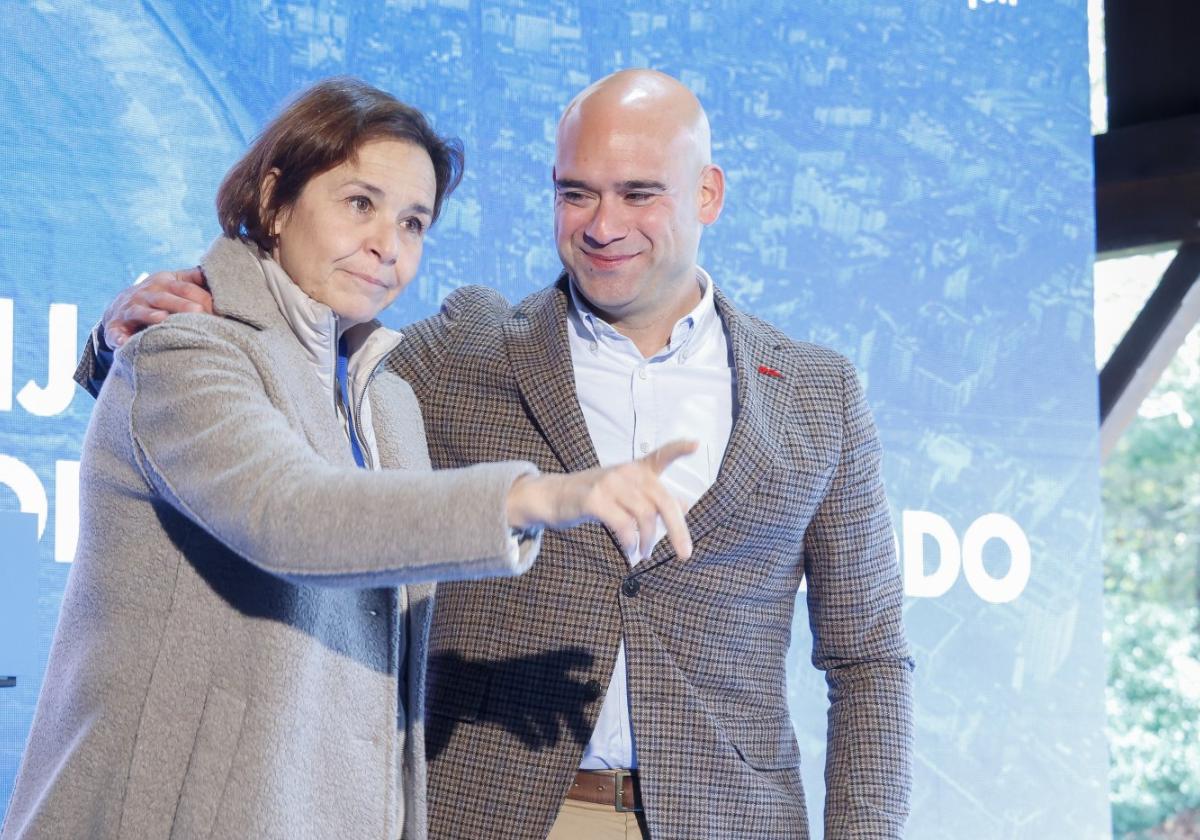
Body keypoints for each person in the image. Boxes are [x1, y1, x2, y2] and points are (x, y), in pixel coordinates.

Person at [78, 69, 913, 839]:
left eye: (638, 194)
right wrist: (116, 346)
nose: (603, 225)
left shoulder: (816, 393)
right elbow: (285, 411)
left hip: (730, 819)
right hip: (486, 814)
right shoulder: (466, 350)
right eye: (576, 193)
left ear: (708, 193)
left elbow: (869, 655)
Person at [2, 77, 695, 840]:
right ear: (273, 200)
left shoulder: (387, 396)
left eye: (413, 222)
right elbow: (289, 511)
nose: (386, 245)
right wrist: (538, 498)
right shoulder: (186, 349)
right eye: (359, 204)